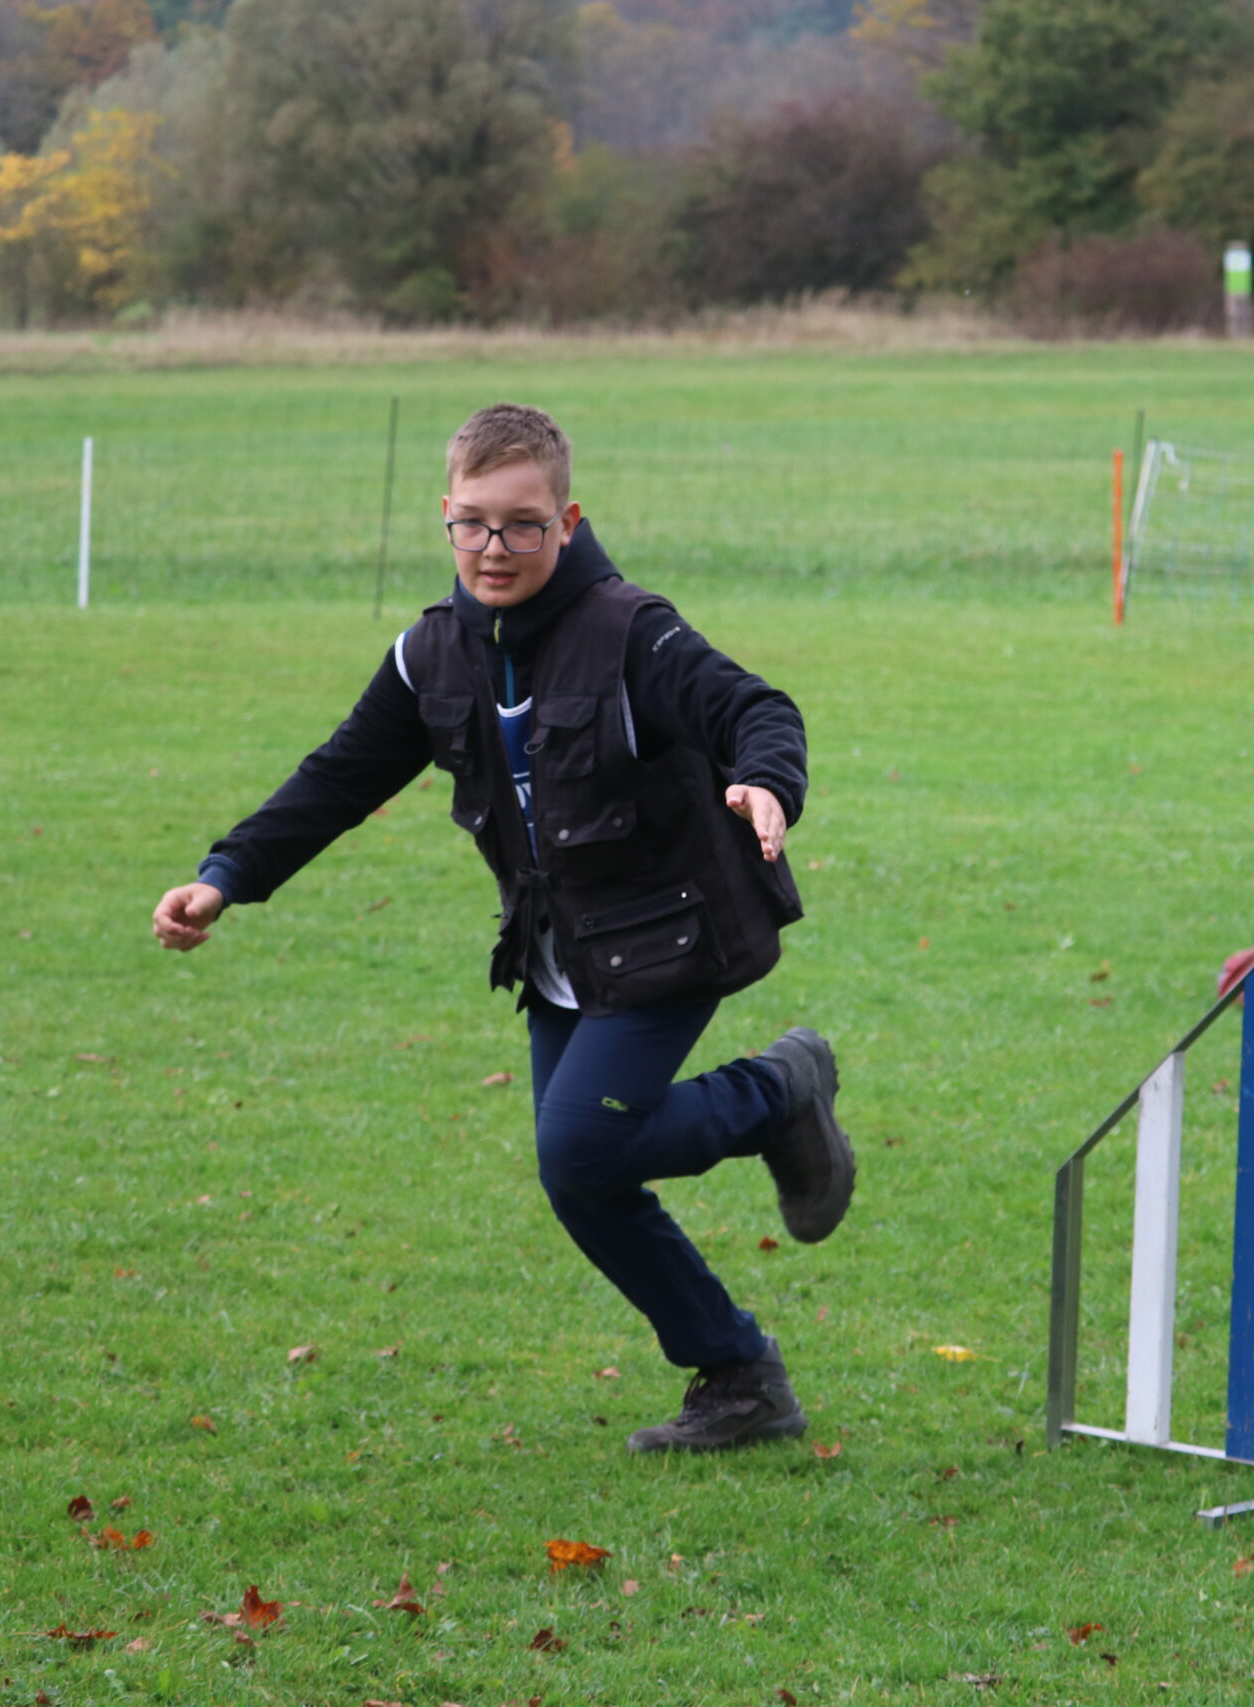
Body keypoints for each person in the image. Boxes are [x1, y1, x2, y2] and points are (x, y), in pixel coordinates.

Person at [150, 402, 851, 1453]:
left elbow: (755, 709)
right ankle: (738, 1375)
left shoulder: (633, 631)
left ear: (567, 521)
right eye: (472, 524)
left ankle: (776, 1091)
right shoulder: (431, 654)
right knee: (583, 1177)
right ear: (445, 515)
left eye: (522, 525)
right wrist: (228, 874)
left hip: (674, 932)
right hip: (560, 946)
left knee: (580, 1144)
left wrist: (763, 780)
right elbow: (340, 776)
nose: (494, 548)